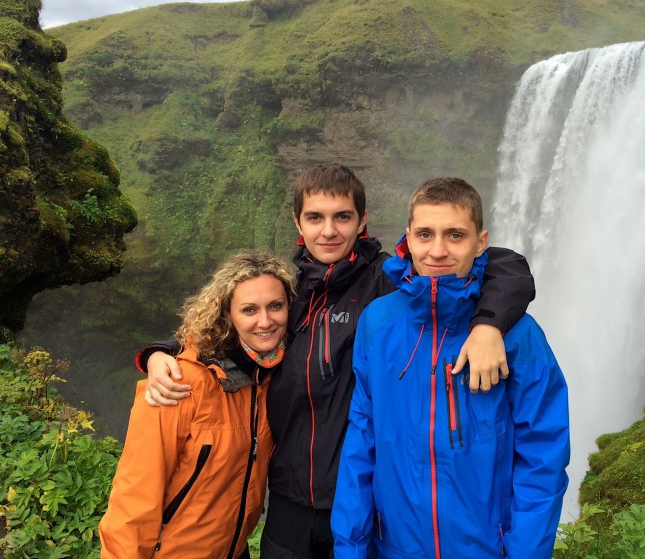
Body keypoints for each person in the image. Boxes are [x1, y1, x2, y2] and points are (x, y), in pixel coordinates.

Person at [136, 163, 536, 559]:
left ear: (362, 220)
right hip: (289, 499)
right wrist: (162, 351)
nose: (329, 230)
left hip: (362, 501)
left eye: (342, 216)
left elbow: (498, 266)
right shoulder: (288, 294)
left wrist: (488, 325)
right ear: (298, 223)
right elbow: (227, 329)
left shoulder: (385, 281)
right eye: (315, 217)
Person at [331, 177, 570, 558]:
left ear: (481, 242)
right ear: (407, 238)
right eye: (425, 234)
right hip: (394, 546)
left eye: (455, 235)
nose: (438, 251)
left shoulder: (519, 336)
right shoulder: (377, 323)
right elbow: (362, 441)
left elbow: (543, 458)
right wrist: (350, 547)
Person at [99, 250, 296, 559]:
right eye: (249, 310)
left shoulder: (271, 377)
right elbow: (135, 495)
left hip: (235, 550)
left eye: (275, 306)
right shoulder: (179, 382)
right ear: (227, 314)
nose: (266, 321)